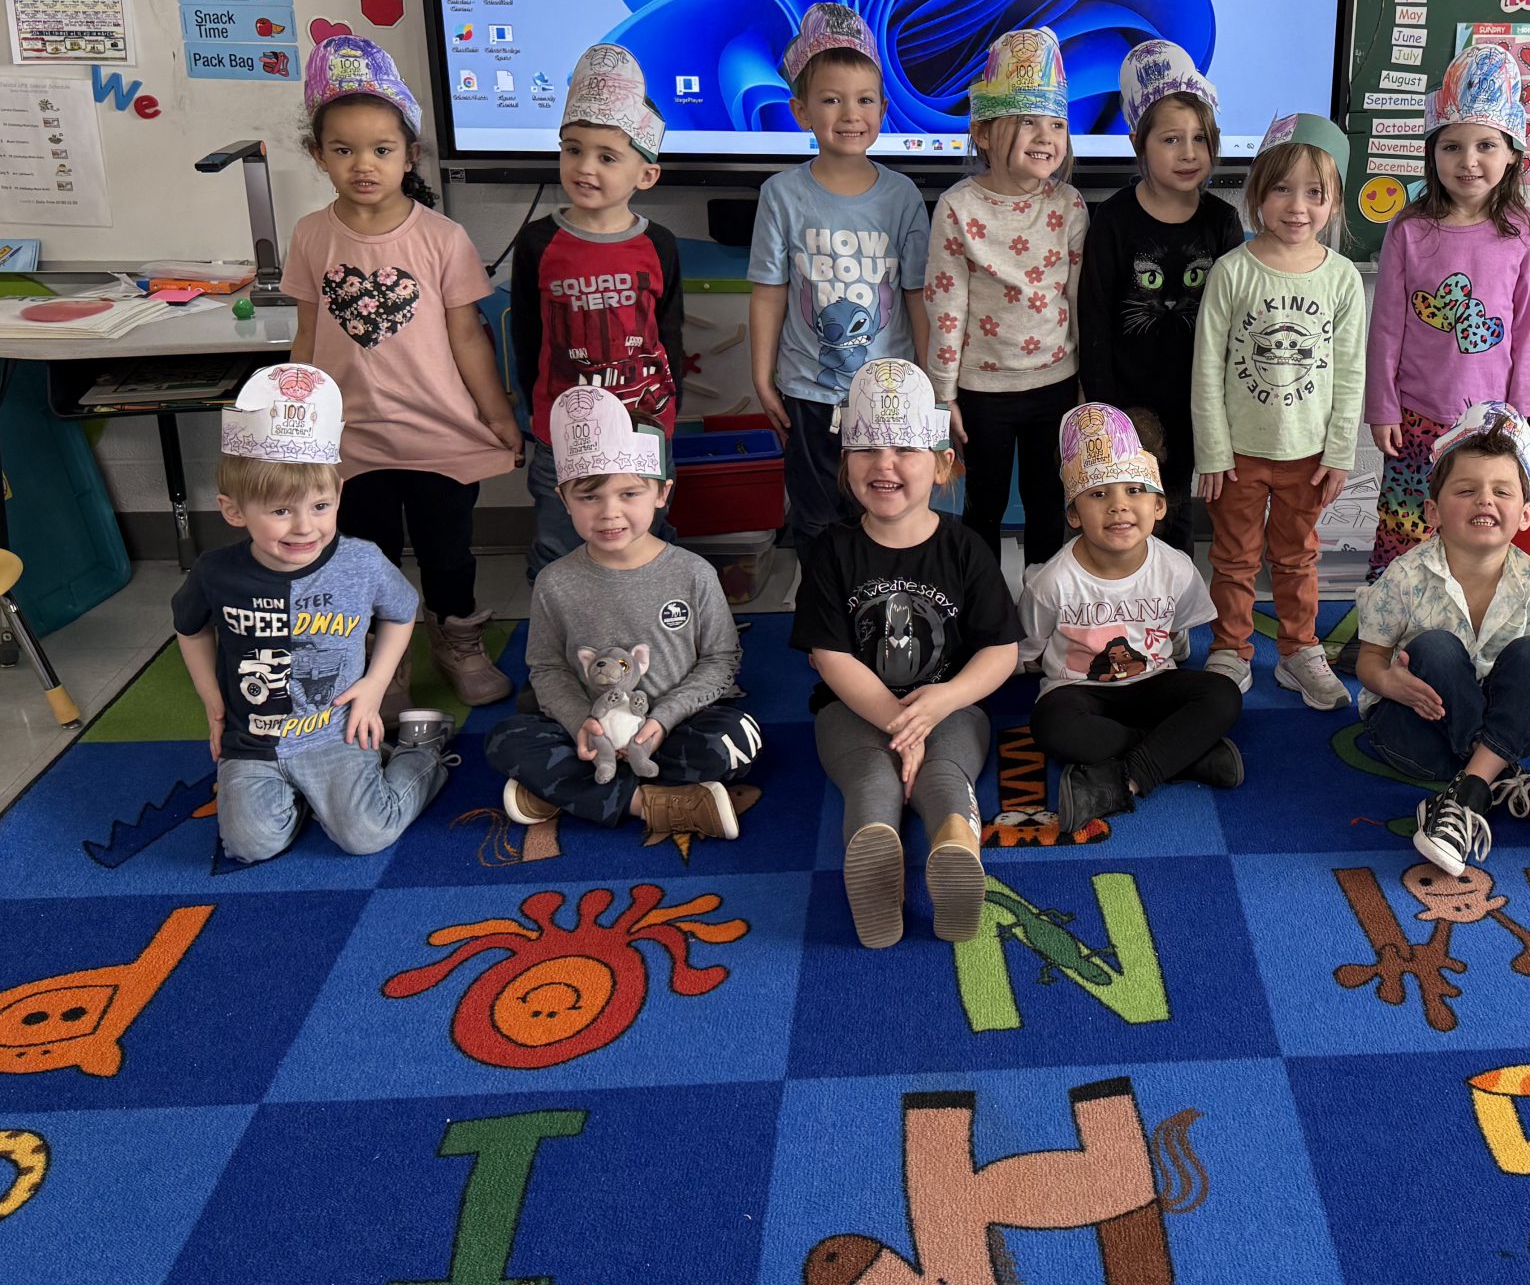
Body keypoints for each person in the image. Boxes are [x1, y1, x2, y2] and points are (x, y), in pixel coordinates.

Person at [286, 36, 520, 707]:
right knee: (366, 557)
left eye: (382, 150)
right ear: (318, 155)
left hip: (438, 435)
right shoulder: (310, 236)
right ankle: (380, 661)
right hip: (350, 440)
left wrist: (498, 418)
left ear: (409, 155)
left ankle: (456, 640)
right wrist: (295, 428)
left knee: (449, 554)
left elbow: (470, 339)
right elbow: (307, 334)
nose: (364, 165)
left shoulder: (442, 238)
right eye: (344, 149)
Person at [172, 366, 445, 862]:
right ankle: (301, 797)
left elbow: (403, 612)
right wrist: (213, 703)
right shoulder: (215, 573)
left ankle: (421, 752)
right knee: (248, 847)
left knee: (367, 835)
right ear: (234, 512)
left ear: (339, 495)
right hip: (251, 741)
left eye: (320, 506)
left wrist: (375, 686)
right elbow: (189, 629)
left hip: (336, 730)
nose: (304, 527)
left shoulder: (361, 561)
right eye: (280, 511)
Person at [794, 359, 1021, 949]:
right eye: (866, 448)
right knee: (870, 775)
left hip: (950, 708)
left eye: (904, 450)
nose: (884, 464)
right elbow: (830, 656)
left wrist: (940, 702)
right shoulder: (831, 550)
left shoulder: (966, 548)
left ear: (943, 463)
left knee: (946, 773)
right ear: (845, 463)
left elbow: (1000, 651)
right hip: (850, 709)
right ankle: (874, 865)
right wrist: (901, 723)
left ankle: (954, 852)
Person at [486, 387, 761, 839]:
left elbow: (721, 661)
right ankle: (649, 802)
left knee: (736, 738)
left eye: (629, 493)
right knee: (503, 739)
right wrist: (582, 723)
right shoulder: (555, 581)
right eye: (589, 497)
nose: (610, 513)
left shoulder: (694, 573)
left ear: (661, 493)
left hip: (675, 725)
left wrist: (662, 719)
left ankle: (568, 792)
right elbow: (548, 666)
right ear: (564, 497)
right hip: (589, 734)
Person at [1356, 403, 1530, 876]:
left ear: (1526, 514)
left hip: (1489, 722)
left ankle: (1468, 792)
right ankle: (1501, 778)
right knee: (1436, 647)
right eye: (1466, 490)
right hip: (1415, 731)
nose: (1485, 501)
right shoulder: (1404, 576)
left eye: (1502, 492)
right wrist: (1391, 683)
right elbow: (1369, 661)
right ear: (1433, 511)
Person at [1191, 112, 1365, 711]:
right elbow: (1207, 369)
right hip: (1237, 453)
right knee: (1234, 557)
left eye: (1315, 193)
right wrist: (1212, 450)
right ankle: (1230, 650)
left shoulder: (1342, 280)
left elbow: (1350, 374)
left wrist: (1341, 452)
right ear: (1257, 195)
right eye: (1282, 189)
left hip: (1309, 455)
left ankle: (1298, 650)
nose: (1298, 206)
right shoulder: (1232, 272)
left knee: (1297, 557)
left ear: (1335, 200)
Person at [748, 2, 931, 553]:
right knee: (814, 517)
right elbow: (769, 291)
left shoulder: (901, 196)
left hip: (890, 397)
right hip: (808, 392)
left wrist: (930, 385)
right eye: (831, 99)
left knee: (885, 514)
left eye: (865, 100)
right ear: (800, 110)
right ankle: (822, 627)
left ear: (882, 108)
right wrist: (762, 376)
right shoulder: (780, 195)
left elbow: (919, 296)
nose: (850, 114)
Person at [1365, 43, 1530, 582]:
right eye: (1452, 146)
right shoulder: (1409, 229)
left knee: (1477, 530)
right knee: (1403, 525)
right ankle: (1382, 625)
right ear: (1432, 153)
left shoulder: (1523, 230)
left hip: (1487, 423)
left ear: (1512, 153)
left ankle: (1461, 624)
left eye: (1486, 145)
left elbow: (1528, 326)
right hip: (1416, 414)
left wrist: (1522, 415)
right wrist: (1383, 407)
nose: (1469, 161)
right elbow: (1387, 328)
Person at [1023, 403, 1243, 834]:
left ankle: (1123, 779)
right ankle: (1188, 755)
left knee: (1223, 693)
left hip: (1154, 683)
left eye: (1135, 491)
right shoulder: (1050, 582)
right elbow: (1029, 652)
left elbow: (1178, 633)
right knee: (1049, 724)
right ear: (1073, 513)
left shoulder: (1177, 568)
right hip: (1081, 692)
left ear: (1159, 505)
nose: (1119, 507)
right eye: (1099, 494)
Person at [509, 43, 684, 577]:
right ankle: (557, 647)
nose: (585, 167)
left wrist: (666, 419)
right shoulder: (538, 243)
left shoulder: (660, 245)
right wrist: (536, 420)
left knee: (647, 542)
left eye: (607, 157)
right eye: (572, 150)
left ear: (645, 174)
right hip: (564, 436)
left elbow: (669, 336)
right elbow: (528, 340)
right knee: (561, 545)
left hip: (645, 429)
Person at [925, 27, 1087, 572]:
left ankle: (1044, 617)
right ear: (985, 133)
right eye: (1028, 122)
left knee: (1049, 504)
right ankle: (985, 610)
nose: (1046, 137)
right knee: (984, 506)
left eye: (1057, 124)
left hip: (1055, 383)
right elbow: (945, 306)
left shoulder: (1069, 205)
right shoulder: (956, 207)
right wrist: (943, 393)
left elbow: (1079, 295)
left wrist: (1086, 381)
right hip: (981, 390)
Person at [1078, 41, 1246, 551]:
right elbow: (1096, 319)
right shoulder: (1112, 221)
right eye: (1172, 139)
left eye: (1200, 138)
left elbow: (1238, 322)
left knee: (1175, 512)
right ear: (1138, 142)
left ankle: (1172, 622)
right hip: (1128, 401)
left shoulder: (1222, 221)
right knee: (1126, 515)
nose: (1189, 153)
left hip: (1198, 401)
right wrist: (1107, 411)